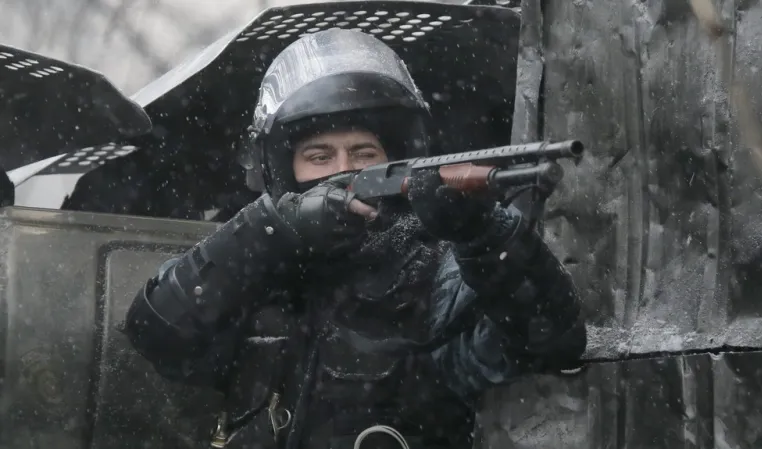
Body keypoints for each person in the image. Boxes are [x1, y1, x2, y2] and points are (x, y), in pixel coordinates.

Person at [122, 29, 586, 449]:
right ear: (286, 170)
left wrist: (482, 230)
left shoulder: (434, 270)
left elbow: (549, 340)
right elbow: (155, 332)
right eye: (319, 156)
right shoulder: (254, 267)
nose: (343, 169)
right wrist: (272, 229)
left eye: (364, 153)